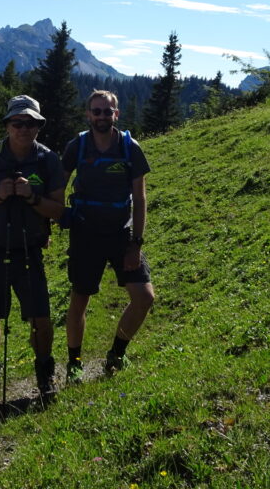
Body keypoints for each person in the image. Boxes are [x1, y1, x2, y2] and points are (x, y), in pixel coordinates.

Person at [0, 95, 66, 402]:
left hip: (29, 250)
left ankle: (45, 373)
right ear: (7, 125)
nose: (23, 128)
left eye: (30, 123)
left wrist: (32, 197)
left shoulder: (48, 160)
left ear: (39, 127)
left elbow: (59, 211)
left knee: (41, 317)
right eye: (17, 122)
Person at [61, 90, 154, 382]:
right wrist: (50, 218)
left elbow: (139, 200)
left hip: (121, 233)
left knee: (144, 297)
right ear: (88, 114)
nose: (102, 116)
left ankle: (116, 354)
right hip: (85, 233)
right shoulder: (77, 146)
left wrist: (135, 244)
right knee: (79, 301)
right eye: (96, 111)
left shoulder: (130, 148)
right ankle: (74, 363)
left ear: (117, 114)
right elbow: (57, 188)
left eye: (107, 111)